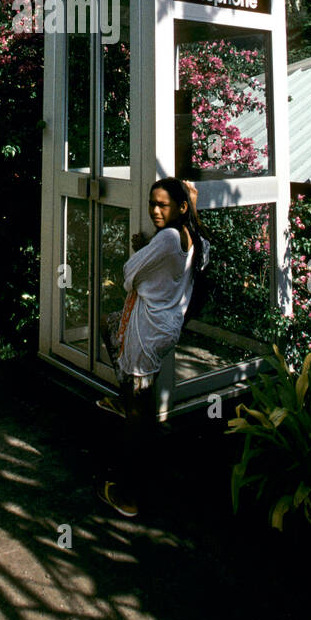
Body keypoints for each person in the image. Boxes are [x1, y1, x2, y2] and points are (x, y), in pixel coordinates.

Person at [98, 178, 209, 519]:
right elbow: (174, 264)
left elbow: (130, 272)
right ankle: (126, 393)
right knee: (109, 325)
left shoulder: (169, 237)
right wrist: (191, 203)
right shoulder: (195, 237)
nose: (155, 210)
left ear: (180, 209)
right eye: (152, 203)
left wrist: (142, 250)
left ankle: (129, 494)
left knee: (137, 417)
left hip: (146, 329)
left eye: (163, 205)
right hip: (166, 328)